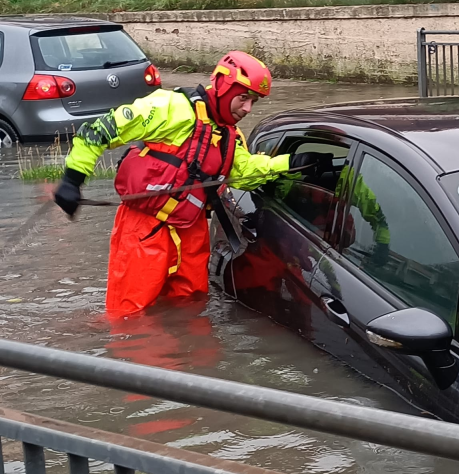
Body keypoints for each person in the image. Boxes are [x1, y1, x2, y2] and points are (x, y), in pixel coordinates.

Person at [52, 51, 330, 317]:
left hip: (192, 231)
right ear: (222, 85)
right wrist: (72, 180)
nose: (247, 108)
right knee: (129, 315)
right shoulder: (168, 107)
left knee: (192, 310)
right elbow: (99, 132)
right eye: (243, 98)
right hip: (144, 228)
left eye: (253, 102)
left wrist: (292, 163)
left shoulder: (231, 137)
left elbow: (244, 172)